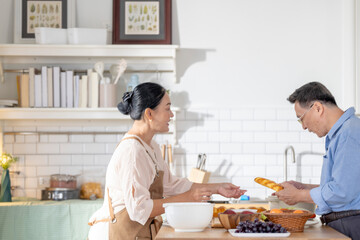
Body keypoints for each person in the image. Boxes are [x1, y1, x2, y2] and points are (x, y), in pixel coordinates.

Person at [88, 82, 246, 240]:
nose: (171, 114)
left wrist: (217, 188)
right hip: (115, 233)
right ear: (149, 114)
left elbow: (171, 185)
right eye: (167, 108)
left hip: (136, 233)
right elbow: (138, 209)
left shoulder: (151, 147)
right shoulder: (132, 151)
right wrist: (188, 197)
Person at [275, 82, 360, 239]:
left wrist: (299, 196)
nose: (303, 127)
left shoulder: (349, 133)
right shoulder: (342, 133)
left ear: (318, 108)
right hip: (346, 222)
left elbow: (342, 192)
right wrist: (304, 188)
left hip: (352, 223)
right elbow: (347, 186)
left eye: (301, 118)